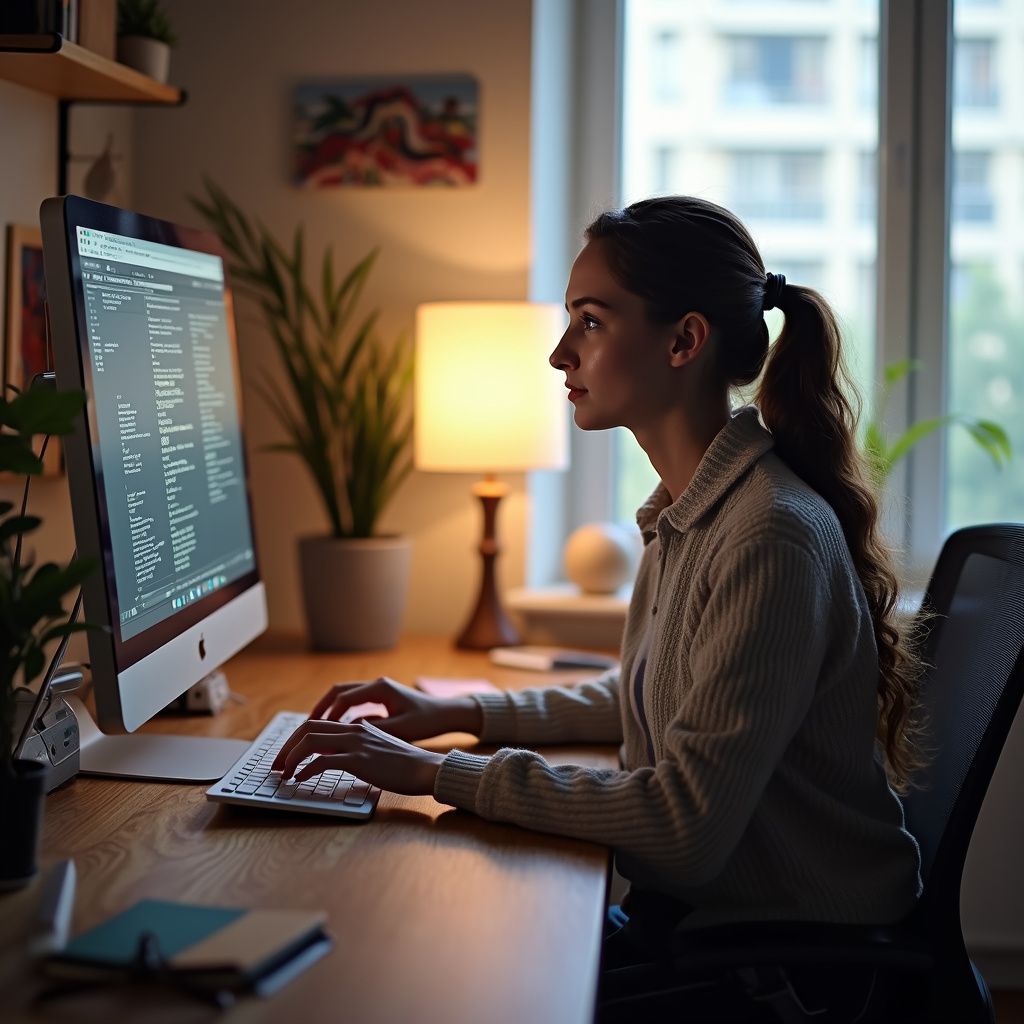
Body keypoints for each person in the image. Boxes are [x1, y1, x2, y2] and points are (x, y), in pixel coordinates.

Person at [272, 196, 925, 1019]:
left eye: (589, 322)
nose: (558, 354)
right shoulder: (692, 509)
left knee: (430, 987)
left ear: (683, 341)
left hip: (792, 966)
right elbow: (640, 697)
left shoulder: (768, 536)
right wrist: (451, 713)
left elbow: (683, 827)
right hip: (714, 923)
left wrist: (434, 773)